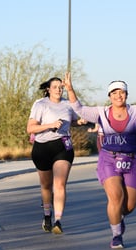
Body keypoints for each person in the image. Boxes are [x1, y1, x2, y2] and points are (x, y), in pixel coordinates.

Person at [64, 72, 136, 249]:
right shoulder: (101, 113)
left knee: (129, 206)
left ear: (126, 95)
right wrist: (70, 89)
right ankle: (116, 235)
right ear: (109, 96)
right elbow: (79, 109)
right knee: (115, 198)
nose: (118, 96)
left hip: (132, 161)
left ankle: (118, 219)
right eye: (114, 93)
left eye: (121, 92)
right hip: (108, 160)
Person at [27, 76, 85, 235]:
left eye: (61, 87)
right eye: (55, 87)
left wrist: (79, 122)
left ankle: (58, 221)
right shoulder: (40, 104)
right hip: (42, 148)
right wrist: (51, 125)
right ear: (48, 89)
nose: (59, 90)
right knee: (46, 185)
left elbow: (72, 121)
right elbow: (30, 128)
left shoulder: (68, 104)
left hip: (63, 146)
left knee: (59, 184)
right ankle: (47, 215)